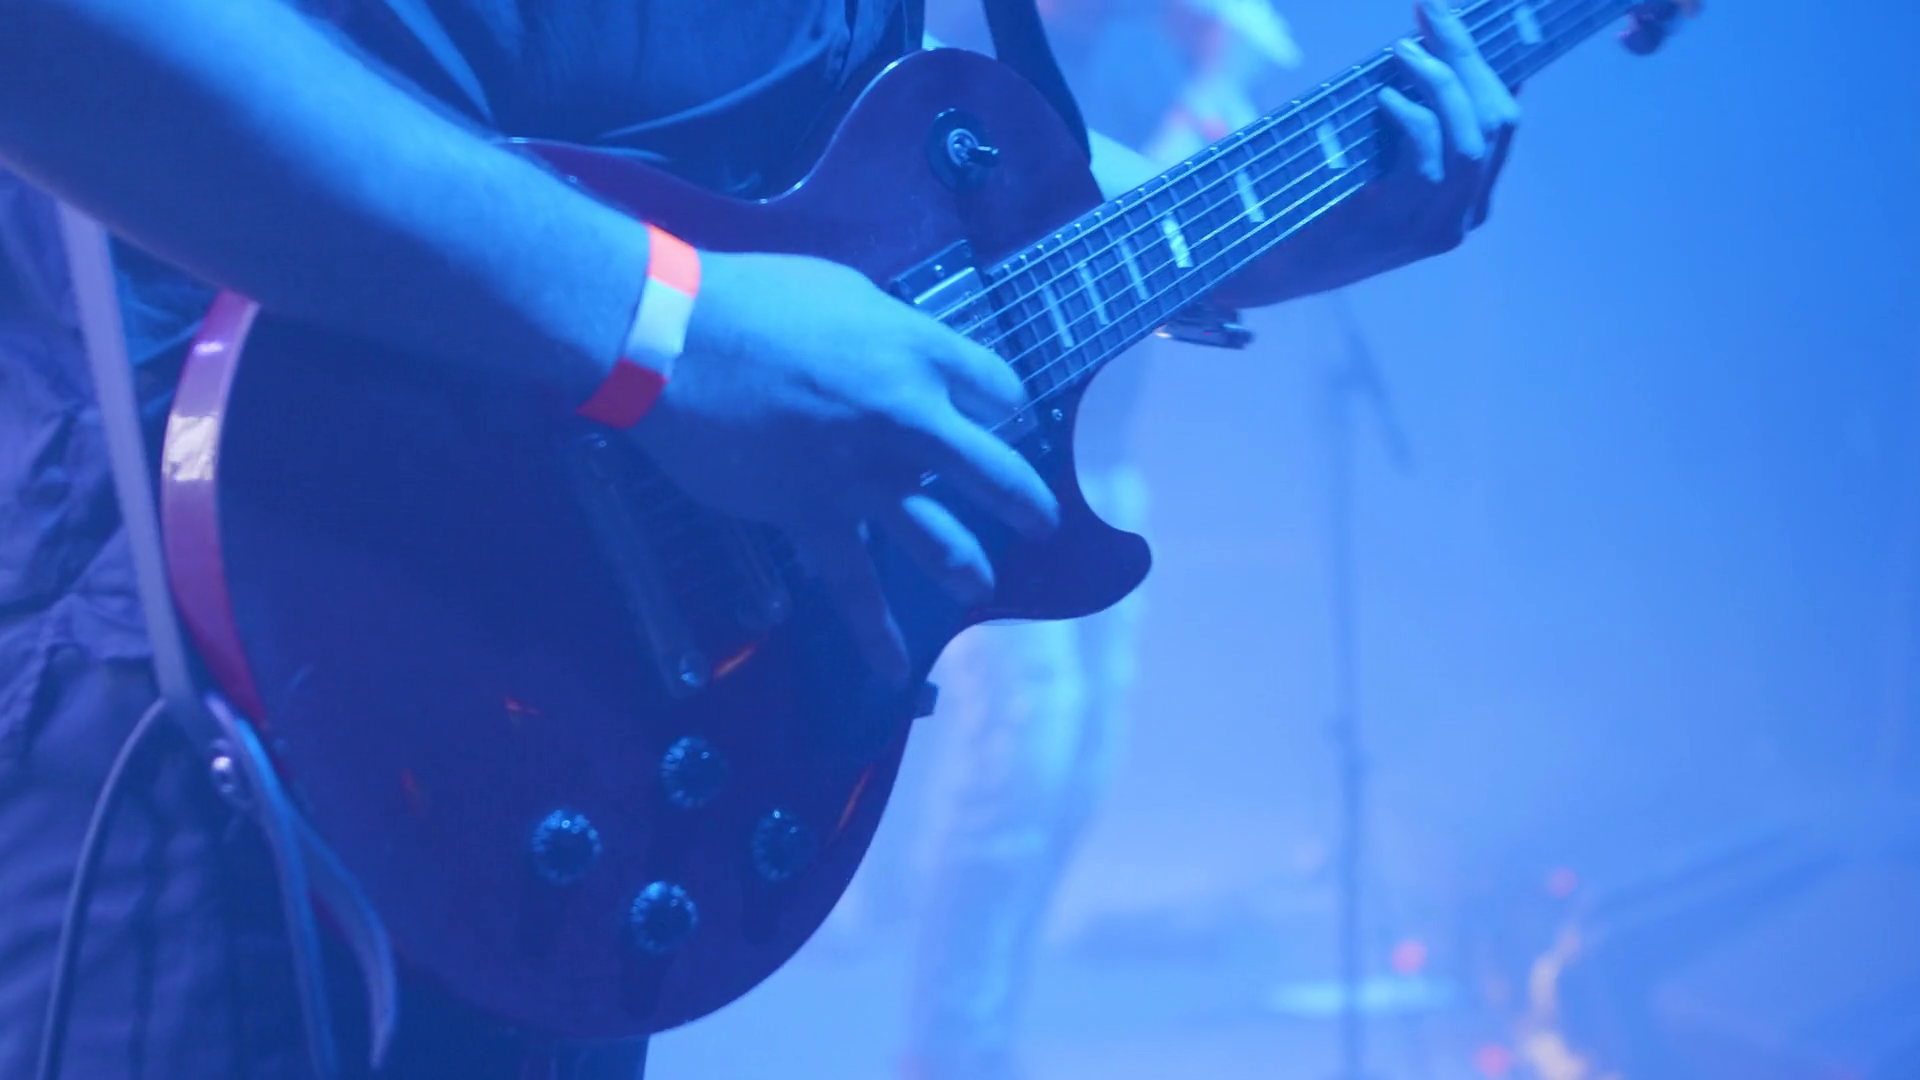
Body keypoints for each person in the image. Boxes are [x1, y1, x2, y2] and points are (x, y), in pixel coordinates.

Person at [0, 0, 1519, 1077]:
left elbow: (815, 182)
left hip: (567, 754)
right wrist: (659, 333)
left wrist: (1268, 211)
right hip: (201, 704)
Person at [894, 4, 1302, 1078]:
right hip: (985, 456)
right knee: (1017, 767)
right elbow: (1106, 233)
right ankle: (952, 1055)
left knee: (1072, 777)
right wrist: (1217, 90)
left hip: (1102, 462)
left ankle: (980, 1037)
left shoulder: (1144, 39)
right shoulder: (979, 47)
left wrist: (1217, 78)